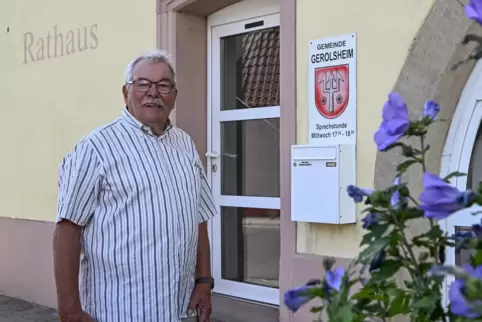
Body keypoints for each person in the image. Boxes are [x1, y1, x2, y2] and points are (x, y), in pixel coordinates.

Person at [52, 49, 217, 322]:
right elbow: (67, 230)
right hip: (119, 311)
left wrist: (203, 281)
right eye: (142, 84)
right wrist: (70, 311)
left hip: (178, 308)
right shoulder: (95, 149)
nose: (153, 93)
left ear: (174, 95)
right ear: (125, 93)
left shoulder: (185, 145)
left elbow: (198, 218)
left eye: (163, 85)